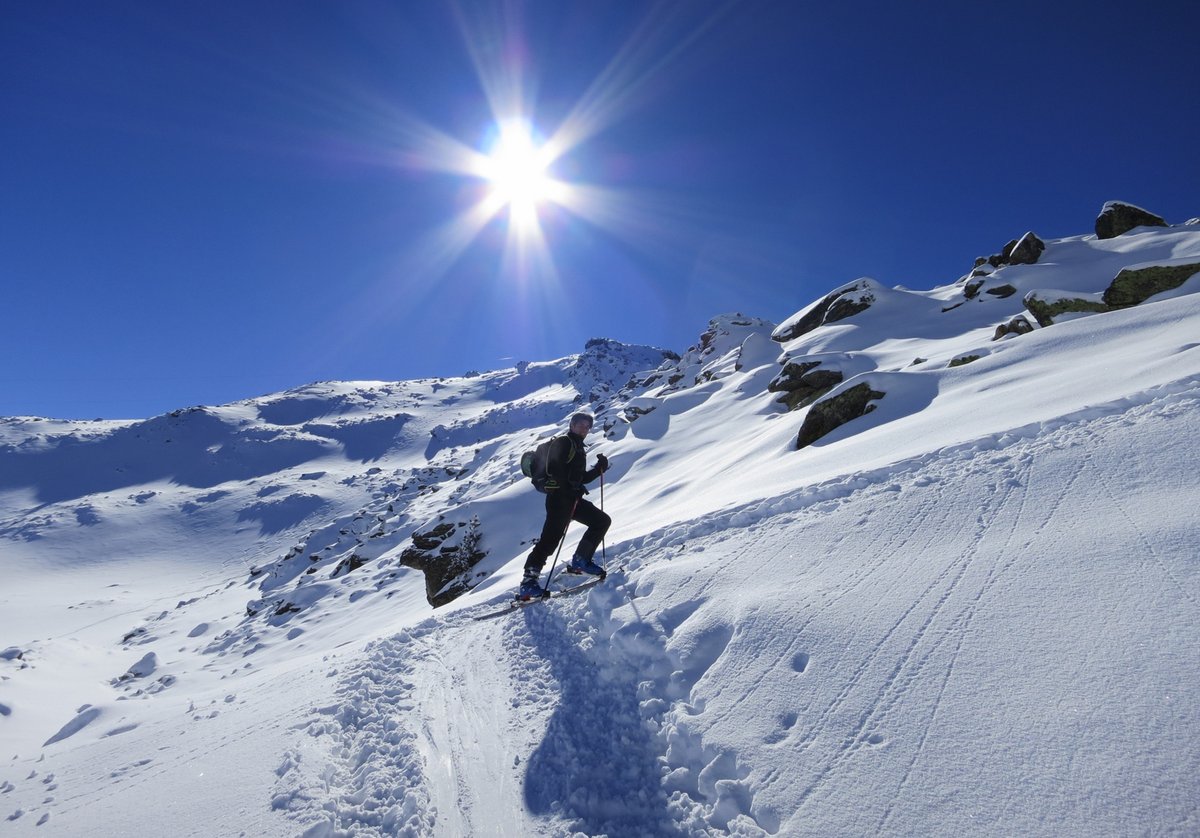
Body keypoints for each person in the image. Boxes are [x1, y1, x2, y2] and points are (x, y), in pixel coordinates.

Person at [519, 412, 611, 599]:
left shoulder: (577, 447)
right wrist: (563, 485)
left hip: (572, 500)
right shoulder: (564, 443)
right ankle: (528, 583)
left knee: (601, 521)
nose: (584, 428)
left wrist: (598, 469)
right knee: (550, 541)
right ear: (572, 425)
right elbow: (556, 469)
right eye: (580, 424)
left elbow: (579, 477)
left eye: (587, 425)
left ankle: (580, 561)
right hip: (559, 501)